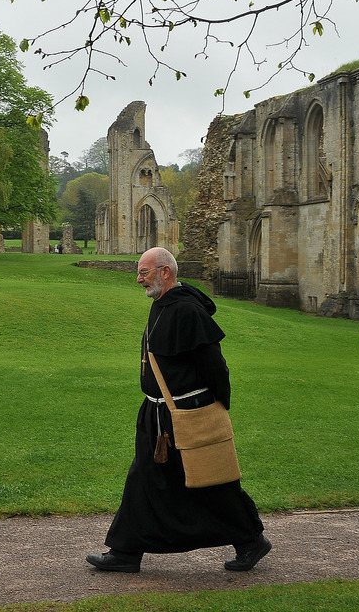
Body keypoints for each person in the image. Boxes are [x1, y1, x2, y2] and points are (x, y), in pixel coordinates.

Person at [86, 246, 271, 574]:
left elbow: (215, 366)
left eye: (144, 272)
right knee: (142, 478)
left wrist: (217, 407)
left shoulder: (187, 310)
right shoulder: (161, 303)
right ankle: (125, 552)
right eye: (139, 273)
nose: (139, 279)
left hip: (186, 416)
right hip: (155, 414)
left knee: (212, 481)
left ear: (165, 272)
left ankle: (251, 540)